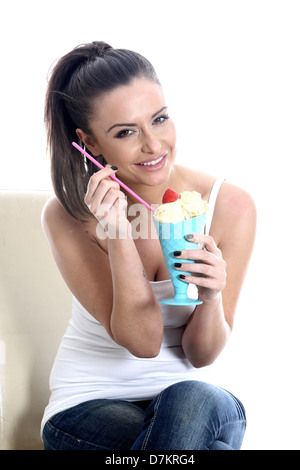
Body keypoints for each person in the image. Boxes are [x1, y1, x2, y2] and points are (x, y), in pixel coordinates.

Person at [41, 41, 256, 450]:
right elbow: (143, 342)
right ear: (90, 143)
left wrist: (210, 298)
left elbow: (202, 357)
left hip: (198, 400)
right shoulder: (68, 215)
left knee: (189, 397)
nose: (154, 145)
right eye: (125, 131)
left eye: (159, 119)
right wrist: (119, 232)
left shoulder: (228, 206)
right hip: (89, 403)